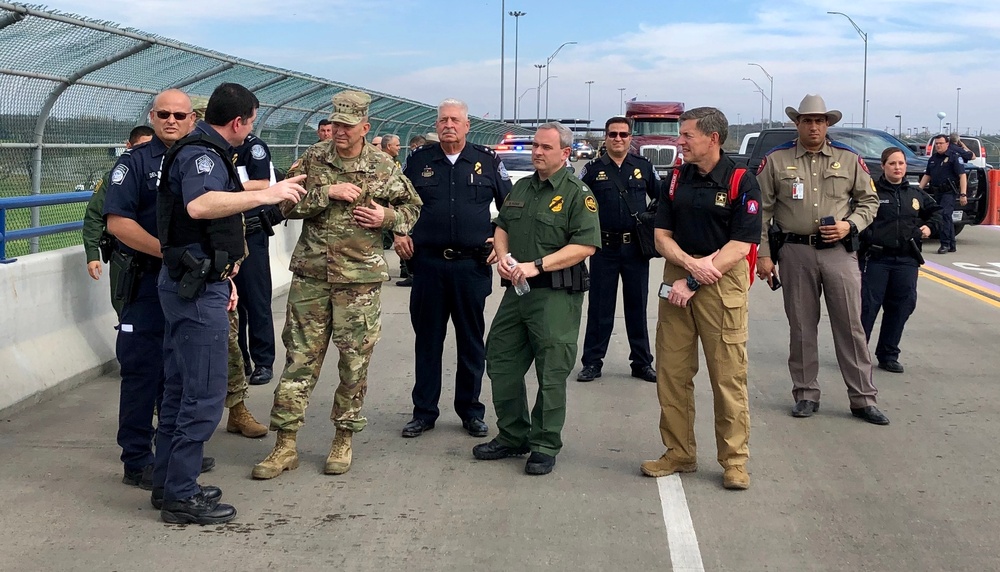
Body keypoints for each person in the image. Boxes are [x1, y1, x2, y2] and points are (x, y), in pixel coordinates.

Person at [155, 82, 307, 524]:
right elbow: (201, 206)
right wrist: (267, 193)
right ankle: (181, 496)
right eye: (251, 121)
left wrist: (226, 271)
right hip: (196, 291)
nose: (249, 130)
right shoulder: (202, 153)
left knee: (182, 389)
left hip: (201, 281)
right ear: (239, 121)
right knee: (202, 395)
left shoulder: (206, 150)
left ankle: (168, 483)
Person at [252, 90, 421, 480]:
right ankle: (285, 444)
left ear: (365, 127)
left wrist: (386, 217)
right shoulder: (313, 159)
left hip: (359, 283)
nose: (339, 132)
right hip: (312, 277)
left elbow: (412, 208)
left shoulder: (383, 165)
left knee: (353, 363)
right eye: (336, 124)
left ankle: (343, 437)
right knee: (298, 360)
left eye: (347, 126)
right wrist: (324, 193)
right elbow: (283, 205)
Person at [639, 107, 760, 490]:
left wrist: (695, 277)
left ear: (713, 138)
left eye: (687, 135)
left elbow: (742, 244)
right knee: (673, 373)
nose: (680, 141)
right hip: (681, 275)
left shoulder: (742, 180)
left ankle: (734, 461)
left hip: (721, 282)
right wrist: (690, 269)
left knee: (728, 377)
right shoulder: (675, 179)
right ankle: (679, 452)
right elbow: (662, 236)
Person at [473, 122, 601, 476]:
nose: (537, 153)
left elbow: (585, 245)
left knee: (551, 371)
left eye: (545, 147)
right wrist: (503, 257)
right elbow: (503, 227)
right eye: (536, 147)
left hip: (556, 296)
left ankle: (544, 444)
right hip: (518, 293)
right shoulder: (523, 188)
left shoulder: (578, 193)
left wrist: (536, 265)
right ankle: (513, 435)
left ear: (565, 153)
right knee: (500, 359)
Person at [755, 94, 889, 426]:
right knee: (801, 327)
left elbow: (869, 201)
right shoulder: (776, 160)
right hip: (794, 253)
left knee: (851, 326)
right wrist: (765, 255)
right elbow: (762, 212)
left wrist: (850, 225)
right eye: (807, 120)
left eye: (819, 121)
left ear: (827, 124)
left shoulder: (848, 160)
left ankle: (862, 399)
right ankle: (805, 393)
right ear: (796, 123)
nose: (813, 126)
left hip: (839, 254)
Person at [398, 99, 511, 439]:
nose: (448, 124)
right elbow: (397, 201)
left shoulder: (487, 160)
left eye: (455, 120)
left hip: (471, 266)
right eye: (443, 119)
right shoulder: (419, 161)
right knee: (428, 341)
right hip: (429, 265)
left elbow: (511, 207)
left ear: (466, 126)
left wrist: (499, 240)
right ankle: (424, 412)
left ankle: (471, 410)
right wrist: (399, 231)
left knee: (471, 341)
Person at [104, 94, 196, 490]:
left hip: (188, 284)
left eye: (179, 115)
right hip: (148, 282)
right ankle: (137, 458)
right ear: (152, 117)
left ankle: (171, 454)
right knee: (143, 372)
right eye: (164, 114)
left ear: (192, 119)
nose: (171, 121)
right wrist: (168, 253)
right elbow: (118, 223)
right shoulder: (135, 163)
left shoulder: (197, 159)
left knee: (179, 373)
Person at [576, 116, 657, 384]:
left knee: (637, 306)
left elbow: (663, 198)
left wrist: (652, 221)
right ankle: (592, 362)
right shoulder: (591, 169)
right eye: (613, 134)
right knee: (600, 308)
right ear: (606, 137)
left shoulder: (643, 167)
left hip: (635, 249)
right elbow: (576, 201)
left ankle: (642, 362)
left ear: (630, 138)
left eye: (623, 134)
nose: (618, 139)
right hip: (604, 249)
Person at [860, 147, 942, 374]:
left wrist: (929, 227)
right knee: (867, 307)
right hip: (876, 259)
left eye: (901, 164)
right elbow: (856, 217)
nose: (897, 168)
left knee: (901, 306)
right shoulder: (871, 193)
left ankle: (888, 354)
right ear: (883, 166)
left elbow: (937, 212)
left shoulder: (915, 195)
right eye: (892, 163)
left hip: (906, 259)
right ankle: (857, 354)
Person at [83, 125, 153, 317]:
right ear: (128, 146)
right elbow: (94, 216)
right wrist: (92, 254)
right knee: (124, 306)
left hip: (155, 254)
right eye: (139, 148)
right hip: (124, 256)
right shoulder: (116, 178)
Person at [233, 132, 280, 386]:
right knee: (232, 304)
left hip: (251, 230)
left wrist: (225, 186)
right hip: (225, 230)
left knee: (256, 299)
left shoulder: (253, 147)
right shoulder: (213, 144)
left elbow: (262, 182)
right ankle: (240, 360)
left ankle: (263, 361)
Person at [919, 134, 967, 254]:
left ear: (947, 144)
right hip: (937, 192)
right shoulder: (933, 158)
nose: (938, 146)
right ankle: (951, 244)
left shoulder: (954, 157)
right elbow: (927, 175)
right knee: (946, 217)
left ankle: (944, 244)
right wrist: (918, 190)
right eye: (937, 144)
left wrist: (963, 194)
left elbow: (962, 176)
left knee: (944, 215)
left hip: (949, 192)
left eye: (941, 143)